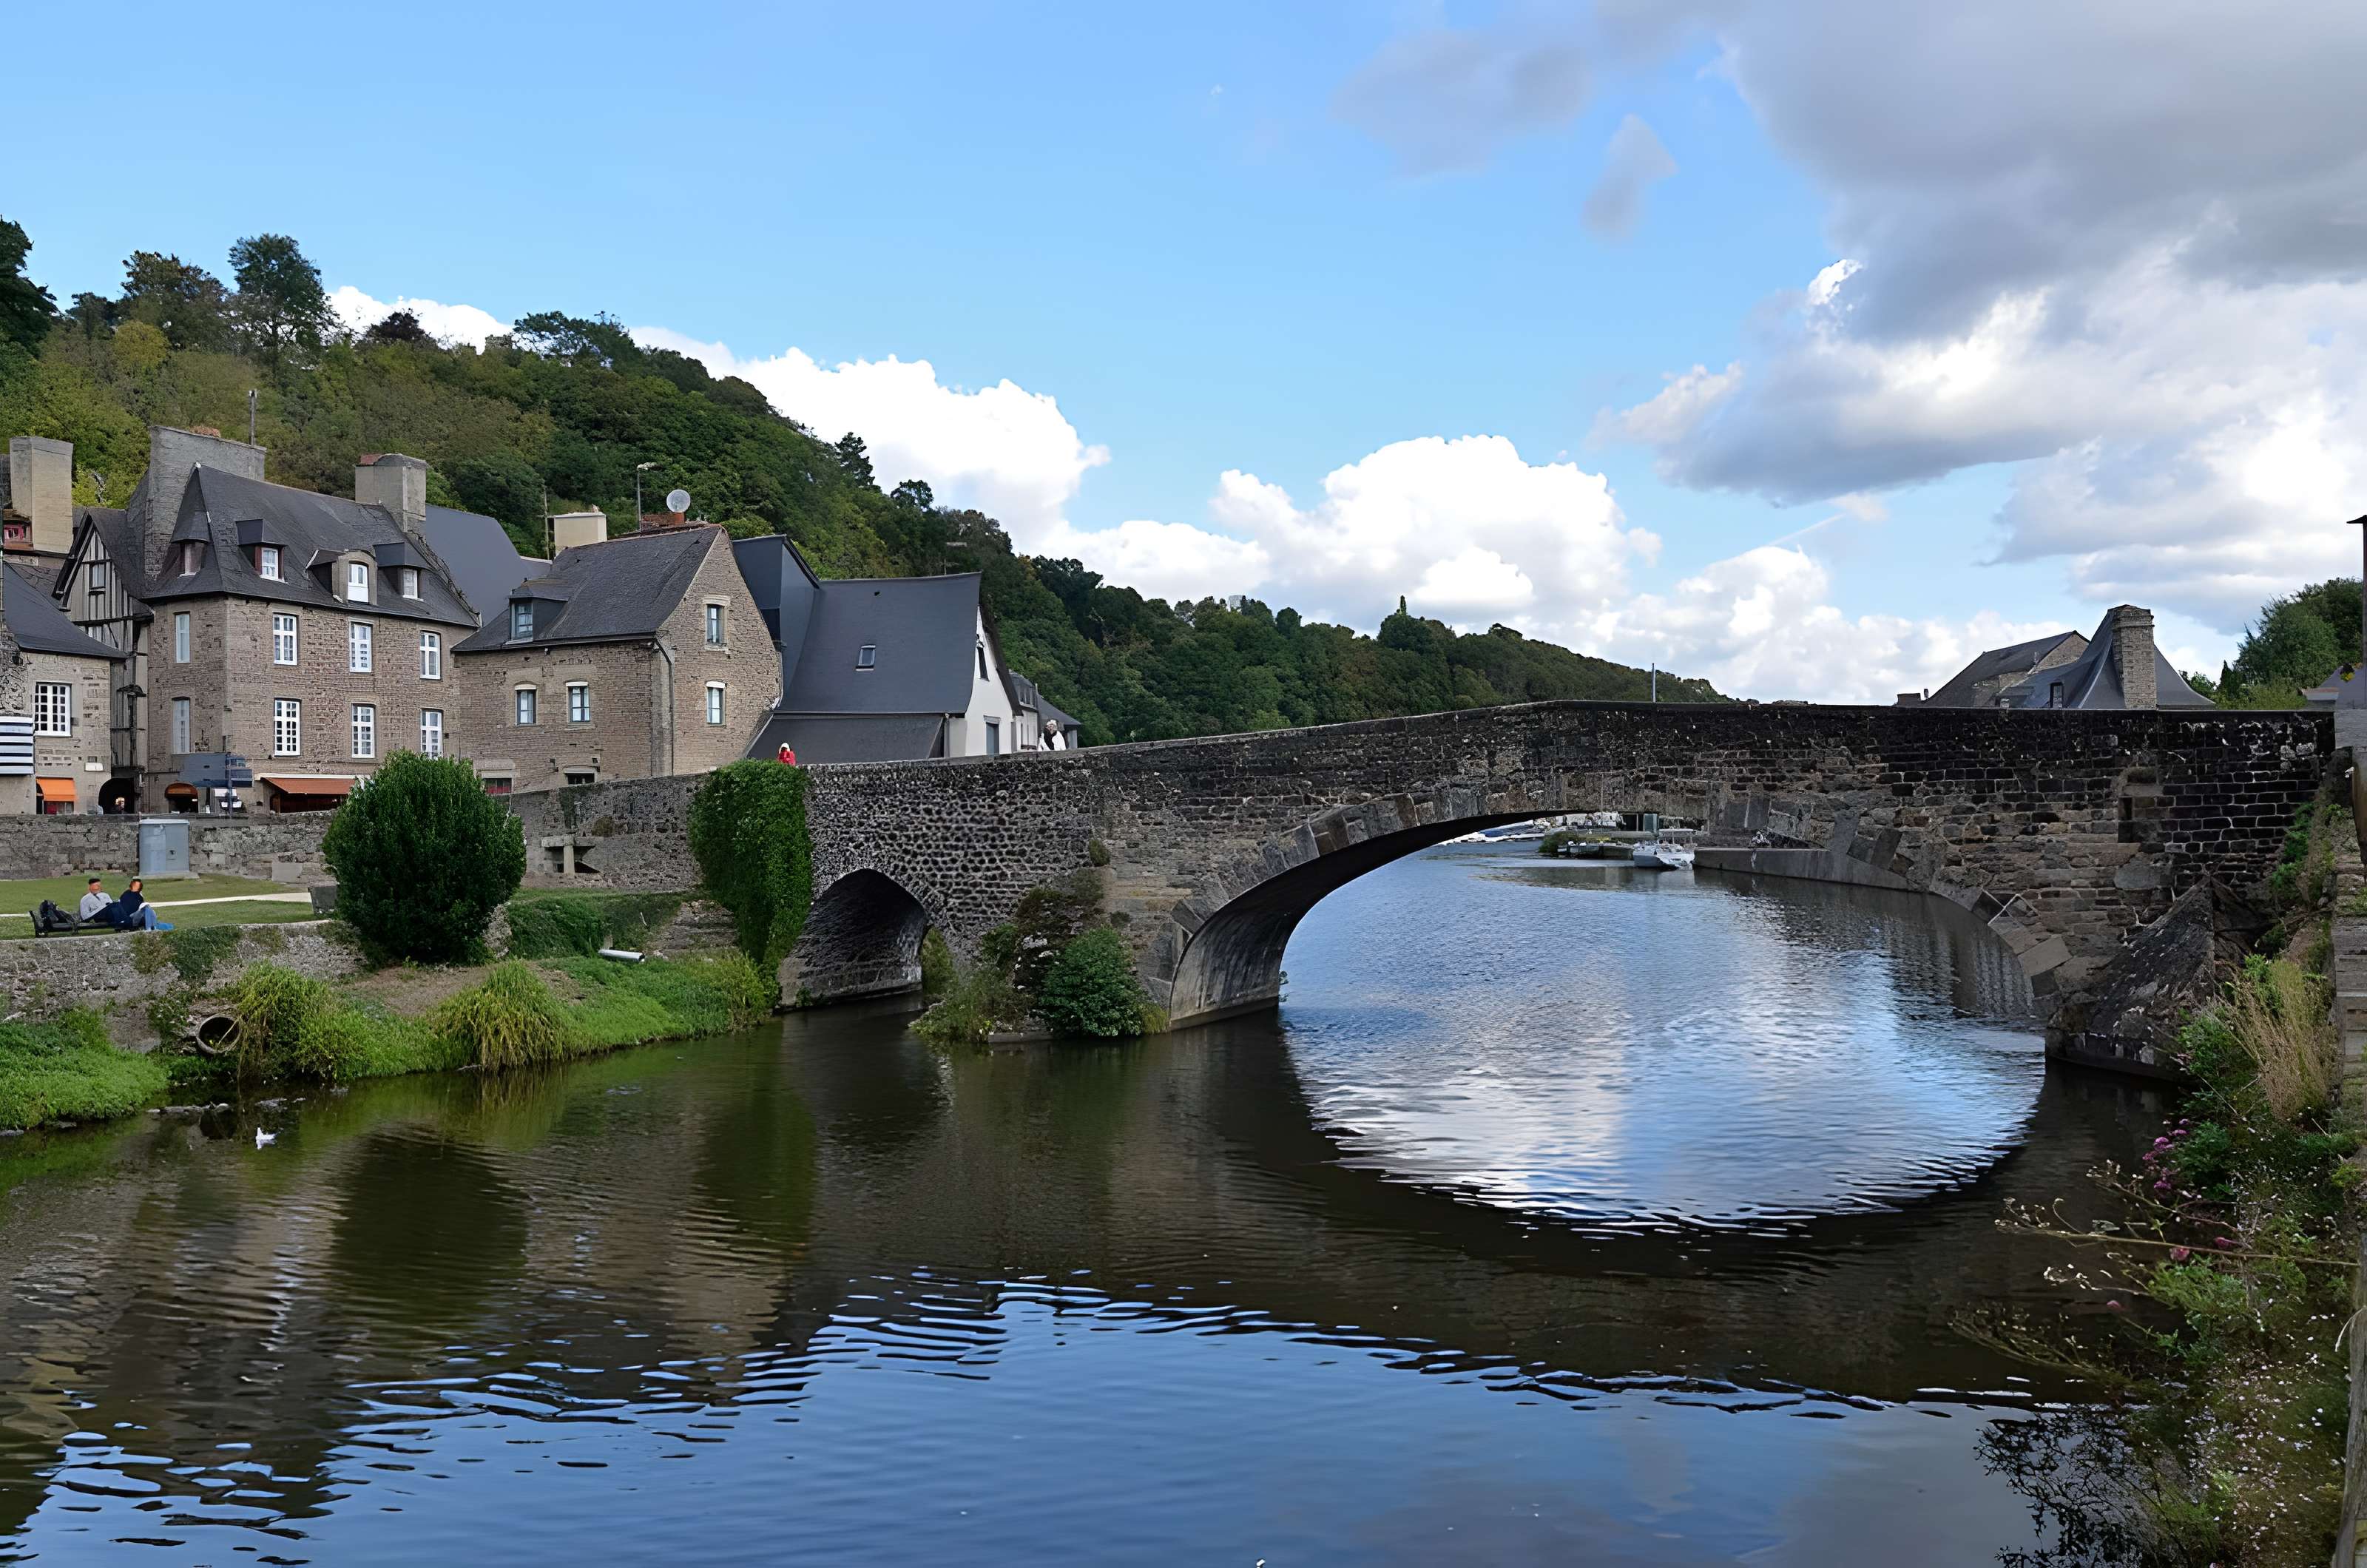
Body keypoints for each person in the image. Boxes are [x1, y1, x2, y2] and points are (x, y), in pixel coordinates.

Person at [103, 878, 172, 932]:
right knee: (147, 908)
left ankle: (152, 927)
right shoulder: (126, 894)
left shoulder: (138, 895)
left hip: (136, 915)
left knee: (148, 909)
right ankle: (150, 928)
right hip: (131, 917)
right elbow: (124, 907)